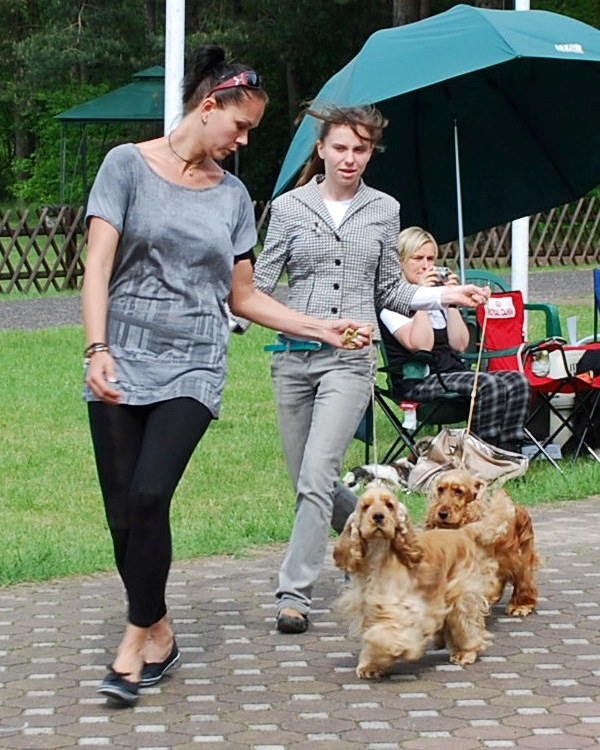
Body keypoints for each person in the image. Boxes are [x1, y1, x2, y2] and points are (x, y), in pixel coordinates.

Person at [82, 46, 372, 708]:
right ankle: (159, 631)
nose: (243, 142)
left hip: (193, 362)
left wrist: (319, 327)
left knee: (149, 496)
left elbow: (243, 296)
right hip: (120, 356)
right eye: (240, 126)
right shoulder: (125, 166)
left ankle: (132, 644)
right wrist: (96, 347)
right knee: (123, 516)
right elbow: (97, 265)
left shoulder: (233, 196)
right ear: (208, 106)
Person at [250, 104, 490, 635]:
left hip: (349, 361)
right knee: (307, 481)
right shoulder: (289, 208)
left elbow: (391, 290)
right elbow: (258, 285)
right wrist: (222, 325)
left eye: (360, 149)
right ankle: (380, 538)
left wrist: (447, 295)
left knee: (316, 476)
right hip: (292, 359)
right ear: (321, 149)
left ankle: (294, 593)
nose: (350, 158)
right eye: (340, 147)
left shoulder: (384, 209)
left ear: (370, 153)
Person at [379, 226, 531, 452]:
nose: (426, 266)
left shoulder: (438, 296)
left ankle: (508, 449)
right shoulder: (391, 302)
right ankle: (482, 451)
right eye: (418, 258)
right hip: (419, 380)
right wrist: (420, 297)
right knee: (487, 384)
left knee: (517, 381)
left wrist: (451, 302)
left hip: (451, 372)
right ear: (400, 261)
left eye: (431, 259)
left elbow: (460, 344)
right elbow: (421, 345)